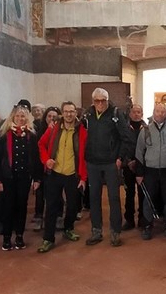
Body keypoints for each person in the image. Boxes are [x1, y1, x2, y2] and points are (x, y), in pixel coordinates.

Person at [83, 88, 131, 247]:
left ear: (107, 100)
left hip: (111, 162)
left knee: (114, 198)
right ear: (93, 101)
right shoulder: (87, 115)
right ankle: (96, 231)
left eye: (103, 100)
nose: (100, 103)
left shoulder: (116, 114)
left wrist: (120, 158)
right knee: (94, 197)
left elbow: (126, 137)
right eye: (97, 100)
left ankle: (115, 232)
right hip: (92, 162)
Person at [37, 101, 87, 253]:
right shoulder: (54, 129)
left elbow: (84, 156)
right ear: (62, 113)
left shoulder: (82, 131)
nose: (69, 114)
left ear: (76, 113)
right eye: (66, 111)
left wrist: (83, 178)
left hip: (72, 174)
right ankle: (48, 238)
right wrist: (46, 160)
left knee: (72, 205)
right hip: (55, 174)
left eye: (71, 111)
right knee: (51, 206)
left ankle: (68, 228)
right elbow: (41, 144)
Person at [0, 104, 43, 250]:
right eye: (17, 116)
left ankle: (19, 236)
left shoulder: (31, 135)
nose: (20, 119)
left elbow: (35, 158)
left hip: (23, 177)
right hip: (7, 177)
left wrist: (37, 178)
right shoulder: (3, 134)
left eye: (23, 116)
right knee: (8, 207)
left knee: (22, 207)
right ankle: (7, 237)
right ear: (12, 117)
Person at [135, 103, 166, 240]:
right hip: (150, 171)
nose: (160, 114)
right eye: (157, 111)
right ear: (153, 112)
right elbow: (139, 152)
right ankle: (148, 226)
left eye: (163, 112)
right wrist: (139, 173)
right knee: (148, 199)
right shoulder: (145, 130)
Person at [33, 106, 62, 231]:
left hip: (57, 167)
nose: (51, 119)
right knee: (40, 194)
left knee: (57, 194)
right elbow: (36, 150)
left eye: (54, 116)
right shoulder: (39, 131)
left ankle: (59, 217)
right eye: (49, 116)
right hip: (42, 167)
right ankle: (39, 217)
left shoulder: (61, 130)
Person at [121, 104, 146, 230]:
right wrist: (128, 161)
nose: (136, 114)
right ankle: (129, 219)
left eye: (139, 112)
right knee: (129, 193)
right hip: (128, 166)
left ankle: (143, 218)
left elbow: (148, 148)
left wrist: (140, 162)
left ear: (142, 114)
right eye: (134, 112)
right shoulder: (124, 128)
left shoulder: (147, 128)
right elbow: (121, 146)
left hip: (142, 166)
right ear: (130, 114)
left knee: (143, 194)